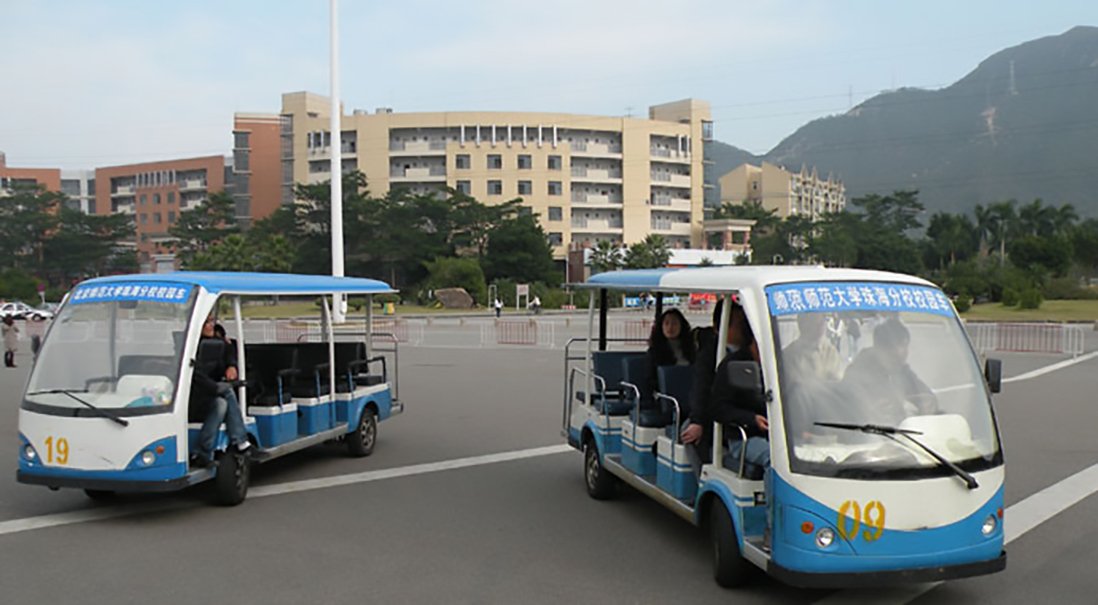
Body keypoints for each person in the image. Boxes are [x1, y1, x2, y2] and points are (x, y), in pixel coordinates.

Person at [841, 317, 937, 426]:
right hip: (869, 433)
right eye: (893, 351)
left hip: (902, 431)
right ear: (879, 348)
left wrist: (927, 403)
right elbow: (844, 413)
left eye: (905, 346)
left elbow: (925, 395)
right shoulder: (856, 374)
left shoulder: (902, 371)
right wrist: (869, 413)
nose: (902, 354)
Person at [190, 314, 251, 468]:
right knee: (227, 391)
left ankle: (203, 451)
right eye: (206, 322)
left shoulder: (215, 343)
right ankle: (241, 441)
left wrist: (231, 365)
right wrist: (216, 387)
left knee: (221, 404)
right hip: (193, 397)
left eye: (211, 321)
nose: (211, 325)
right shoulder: (190, 348)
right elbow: (196, 376)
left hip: (208, 394)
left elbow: (229, 351)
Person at [782, 313, 843, 382]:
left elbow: (837, 382)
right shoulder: (787, 356)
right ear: (803, 325)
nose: (821, 326)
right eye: (816, 323)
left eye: (822, 321)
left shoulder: (831, 353)